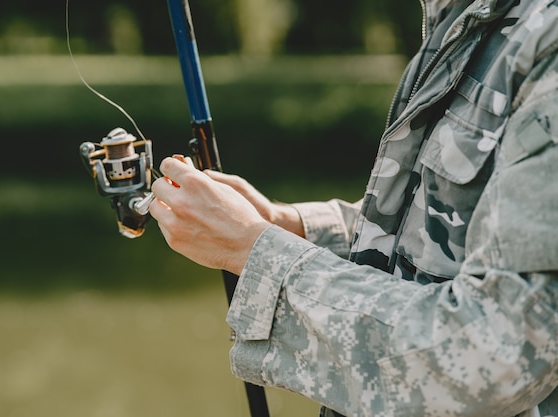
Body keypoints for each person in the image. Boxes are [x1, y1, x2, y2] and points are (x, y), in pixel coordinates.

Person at [149, 0, 558, 415]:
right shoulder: (460, 12)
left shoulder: (548, 40)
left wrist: (257, 251)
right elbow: (456, 227)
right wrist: (288, 226)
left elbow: (499, 349)